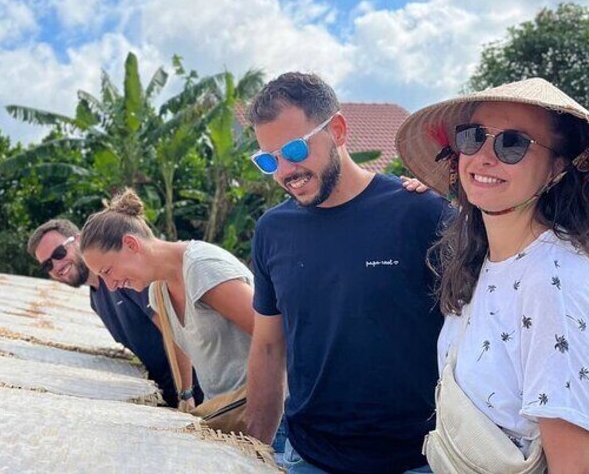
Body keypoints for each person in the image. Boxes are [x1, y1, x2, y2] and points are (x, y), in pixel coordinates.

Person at [395, 77, 589, 473]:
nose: (483, 157)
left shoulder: (554, 281)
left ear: (558, 168)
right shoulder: (482, 259)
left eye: (512, 143)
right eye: (472, 137)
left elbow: (574, 467)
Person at [245, 72, 454, 473]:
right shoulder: (271, 231)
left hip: (418, 459)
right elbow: (269, 346)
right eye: (268, 160)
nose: (285, 171)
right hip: (310, 457)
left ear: (337, 130)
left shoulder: (420, 213)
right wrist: (253, 451)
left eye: (294, 149)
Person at [78, 188, 256, 402]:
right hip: (226, 412)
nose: (111, 285)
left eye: (107, 271)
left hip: (267, 413)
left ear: (131, 244)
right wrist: (186, 393)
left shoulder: (202, 269)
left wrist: (263, 419)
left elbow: (274, 336)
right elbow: (177, 342)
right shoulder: (158, 291)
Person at [27, 219, 202, 408]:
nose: (56, 266)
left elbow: (175, 332)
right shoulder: (95, 300)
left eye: (59, 253)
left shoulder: (124, 277)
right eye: (47, 266)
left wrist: (186, 393)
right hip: (170, 397)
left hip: (198, 394)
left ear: (78, 240)